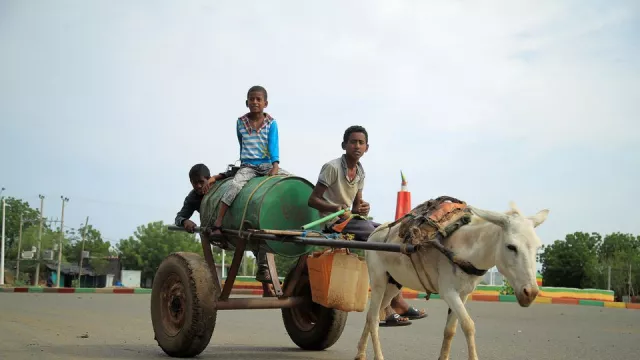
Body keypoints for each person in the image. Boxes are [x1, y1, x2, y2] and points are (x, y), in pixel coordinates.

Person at [307, 125, 427, 327]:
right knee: (378, 237)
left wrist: (362, 208)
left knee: (393, 232)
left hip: (351, 221)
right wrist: (334, 206)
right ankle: (389, 307)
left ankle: (395, 301)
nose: (357, 145)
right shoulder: (332, 168)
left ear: (367, 148)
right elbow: (313, 200)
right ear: (344, 145)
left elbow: (356, 207)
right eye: (353, 142)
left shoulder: (360, 172)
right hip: (333, 222)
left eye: (361, 143)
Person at [209, 85, 289, 282]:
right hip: (249, 166)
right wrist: (247, 162)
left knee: (289, 181)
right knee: (234, 186)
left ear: (265, 103)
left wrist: (275, 164)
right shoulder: (240, 122)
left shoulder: (271, 123)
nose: (255, 102)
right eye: (251, 99)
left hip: (267, 164)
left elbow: (273, 144)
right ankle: (218, 222)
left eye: (258, 99)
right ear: (247, 102)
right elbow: (241, 143)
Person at [174, 163, 270, 282]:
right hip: (218, 233)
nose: (198, 186)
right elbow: (179, 217)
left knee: (256, 234)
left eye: (201, 182)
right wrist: (184, 221)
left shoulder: (221, 184)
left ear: (209, 179)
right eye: (194, 183)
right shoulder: (193, 198)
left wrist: (217, 177)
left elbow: (236, 171)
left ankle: (264, 276)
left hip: (239, 224)